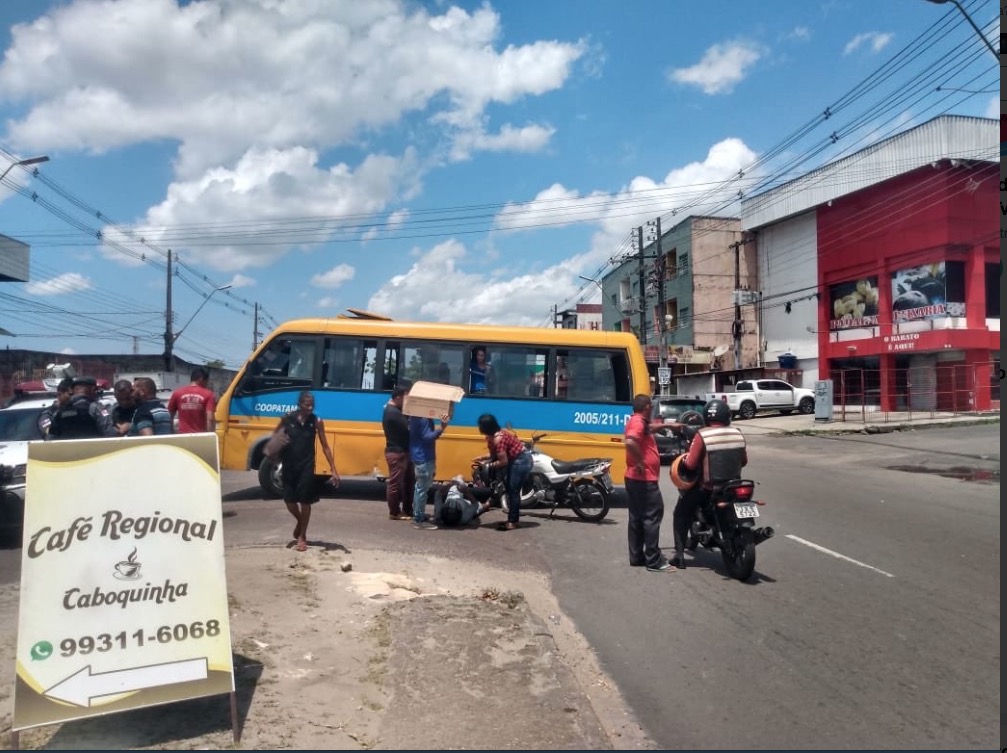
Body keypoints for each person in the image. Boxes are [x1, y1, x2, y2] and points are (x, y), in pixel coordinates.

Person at [671, 398, 748, 571]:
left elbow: (690, 464)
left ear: (706, 417)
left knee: (681, 513)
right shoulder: (737, 433)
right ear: (727, 416)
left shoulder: (702, 435)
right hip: (734, 486)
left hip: (709, 489)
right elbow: (744, 461)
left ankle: (680, 556)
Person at [270, 391, 340, 552]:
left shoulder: (316, 421)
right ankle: (300, 521)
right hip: (289, 465)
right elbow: (275, 437)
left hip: (307, 466)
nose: (310, 408)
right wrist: (275, 452)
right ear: (299, 404)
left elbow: (325, 446)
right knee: (289, 501)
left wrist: (334, 470)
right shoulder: (287, 419)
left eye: (312, 405)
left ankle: (302, 536)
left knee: (305, 502)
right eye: (306, 405)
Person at [623, 394, 673, 572]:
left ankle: (637, 557)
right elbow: (630, 441)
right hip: (644, 479)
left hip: (634, 478)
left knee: (636, 517)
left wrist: (668, 425)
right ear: (646, 407)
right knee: (652, 516)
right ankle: (653, 560)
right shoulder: (638, 422)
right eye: (650, 406)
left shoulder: (638, 421)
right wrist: (640, 462)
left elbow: (649, 429)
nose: (652, 409)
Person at [474, 413, 532, 531]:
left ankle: (513, 521)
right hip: (513, 459)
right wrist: (482, 458)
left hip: (521, 460)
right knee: (508, 488)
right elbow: (493, 454)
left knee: (513, 490)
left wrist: (488, 465)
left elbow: (503, 461)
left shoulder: (498, 438)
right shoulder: (490, 437)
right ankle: (511, 518)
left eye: (481, 426)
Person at [408, 409, 450, 530]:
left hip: (417, 456)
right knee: (422, 489)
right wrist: (442, 427)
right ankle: (418, 520)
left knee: (419, 488)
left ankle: (417, 514)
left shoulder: (414, 416)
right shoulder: (424, 418)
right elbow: (427, 437)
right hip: (424, 457)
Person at [47, 377, 118, 439]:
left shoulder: (59, 411)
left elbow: (51, 439)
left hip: (66, 453)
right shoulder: (95, 408)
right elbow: (110, 434)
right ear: (93, 389)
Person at [382, 386, 414, 521]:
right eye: (406, 398)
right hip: (397, 452)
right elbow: (409, 428)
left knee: (408, 482)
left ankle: (407, 510)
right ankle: (394, 512)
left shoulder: (393, 410)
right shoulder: (393, 413)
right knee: (395, 483)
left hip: (402, 451)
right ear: (398, 397)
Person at [168, 367, 217, 433]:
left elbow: (169, 416)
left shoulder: (177, 393)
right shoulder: (208, 394)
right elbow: (210, 418)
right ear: (201, 379)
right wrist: (211, 435)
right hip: (200, 436)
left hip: (182, 436)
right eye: (207, 381)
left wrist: (171, 432)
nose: (207, 384)